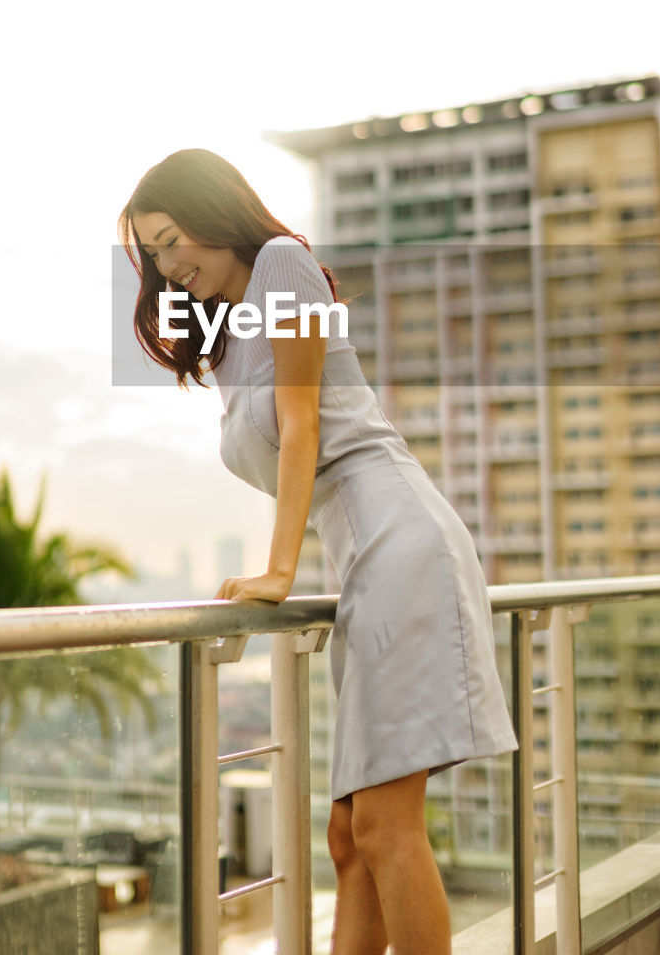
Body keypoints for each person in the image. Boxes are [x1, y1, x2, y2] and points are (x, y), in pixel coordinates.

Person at [119, 148, 518, 955]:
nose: (167, 266)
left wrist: (278, 570)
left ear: (212, 212)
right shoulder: (229, 336)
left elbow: (301, 423)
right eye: (151, 255)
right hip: (360, 556)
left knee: (384, 827)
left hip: (399, 537)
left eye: (171, 241)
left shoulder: (283, 264)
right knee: (348, 838)